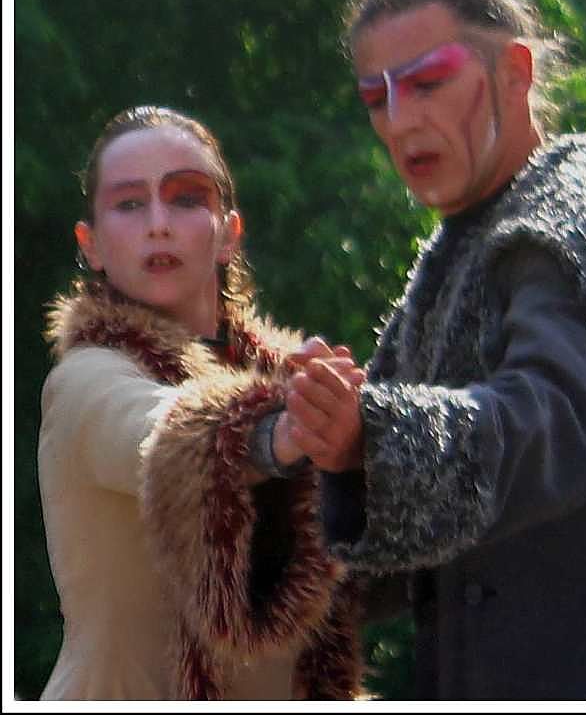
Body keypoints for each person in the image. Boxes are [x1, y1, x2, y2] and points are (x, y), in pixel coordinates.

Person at [280, 0, 586, 700]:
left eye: (428, 82)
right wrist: (302, 433)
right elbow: (385, 540)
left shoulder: (578, 223)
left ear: (515, 72)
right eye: (376, 97)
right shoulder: (466, 245)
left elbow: (549, 424)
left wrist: (367, 432)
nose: (399, 120)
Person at [37, 105, 365, 700]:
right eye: (129, 204)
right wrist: (280, 432)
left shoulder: (289, 381)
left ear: (229, 234)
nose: (158, 224)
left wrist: (355, 438)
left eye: (186, 198)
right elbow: (156, 430)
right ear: (92, 245)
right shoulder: (84, 379)